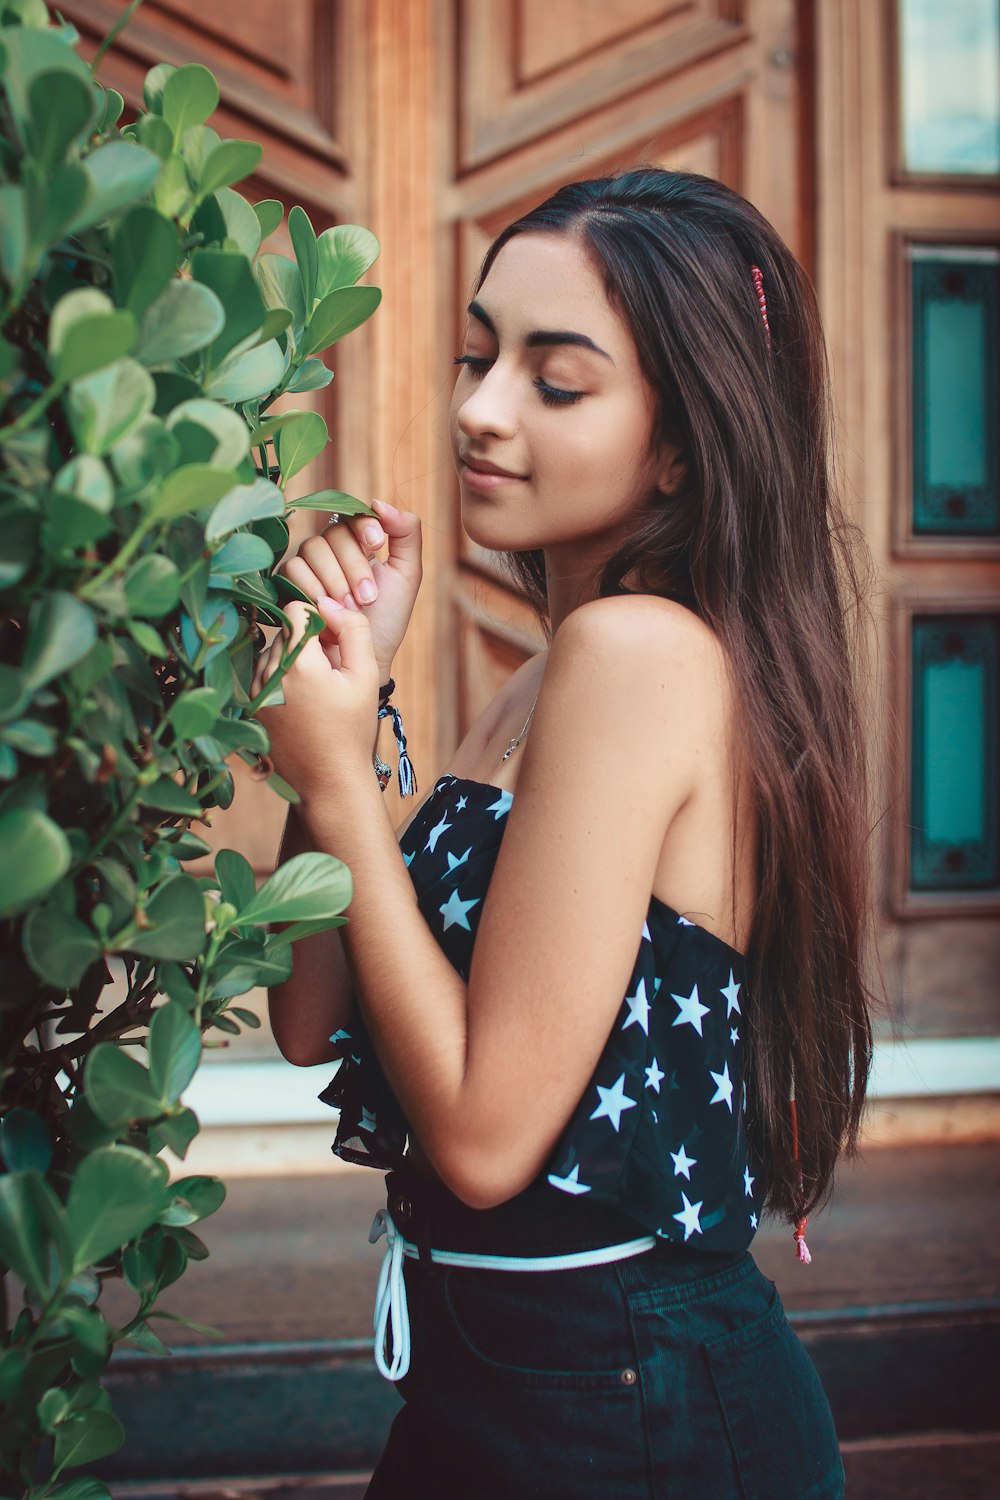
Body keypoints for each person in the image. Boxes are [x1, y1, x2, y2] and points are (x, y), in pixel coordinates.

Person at [253, 167, 876, 1499]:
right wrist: (337, 734)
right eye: (481, 355)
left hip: (626, 1401)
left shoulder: (636, 654)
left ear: (683, 442)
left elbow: (482, 1139)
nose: (477, 408)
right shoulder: (545, 675)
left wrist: (344, 786)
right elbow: (311, 1021)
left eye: (556, 378)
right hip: (505, 1375)